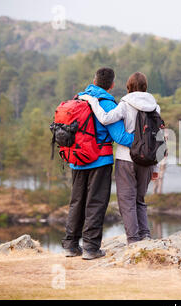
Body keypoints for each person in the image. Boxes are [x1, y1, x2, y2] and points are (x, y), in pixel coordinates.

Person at [62, 67, 134, 260]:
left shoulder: (80, 98)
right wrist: (143, 139)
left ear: (94, 81)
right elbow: (120, 137)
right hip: (99, 160)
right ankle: (91, 248)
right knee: (96, 203)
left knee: (76, 202)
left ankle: (70, 245)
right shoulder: (107, 104)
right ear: (112, 84)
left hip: (76, 159)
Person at [80, 72, 159, 245]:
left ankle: (133, 241)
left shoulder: (125, 104)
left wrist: (93, 101)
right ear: (146, 87)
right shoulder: (155, 107)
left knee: (126, 201)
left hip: (126, 159)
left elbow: (106, 119)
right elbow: (158, 138)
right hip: (147, 160)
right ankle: (145, 236)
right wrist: (156, 167)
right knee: (140, 200)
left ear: (128, 87)